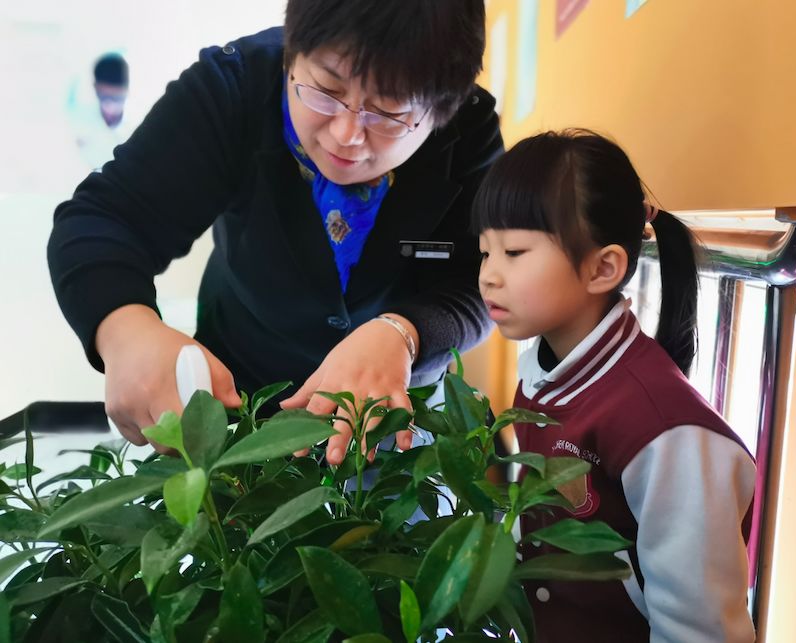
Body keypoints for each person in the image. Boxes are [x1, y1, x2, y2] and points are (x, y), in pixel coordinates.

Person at [48, 0, 502, 465]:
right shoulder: (232, 88)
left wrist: (405, 334)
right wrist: (125, 330)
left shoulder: (470, 129)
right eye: (325, 88)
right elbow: (104, 218)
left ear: (443, 109)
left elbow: (483, 276)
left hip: (396, 413)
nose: (346, 133)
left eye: (387, 113)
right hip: (244, 397)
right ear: (292, 51)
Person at [472, 130, 756, 642]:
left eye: (514, 252)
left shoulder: (667, 434)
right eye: (484, 251)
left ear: (603, 267)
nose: (489, 275)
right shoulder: (543, 370)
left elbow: (699, 631)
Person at [68, 52, 132, 171]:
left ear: (127, 91)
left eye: (117, 98)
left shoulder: (138, 127)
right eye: (104, 97)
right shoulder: (77, 120)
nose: (110, 105)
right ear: (95, 88)